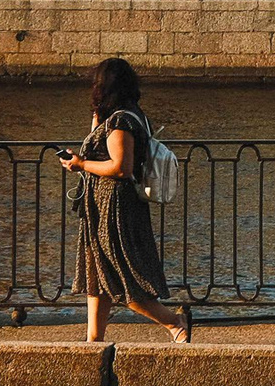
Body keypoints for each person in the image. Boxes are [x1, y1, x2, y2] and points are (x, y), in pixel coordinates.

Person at [60, 56, 190, 344]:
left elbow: (121, 167)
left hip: (114, 209)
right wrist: (95, 120)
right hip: (101, 208)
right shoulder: (125, 115)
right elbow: (99, 148)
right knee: (97, 276)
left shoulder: (120, 121)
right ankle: (94, 340)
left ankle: (174, 323)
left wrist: (81, 165)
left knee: (121, 282)